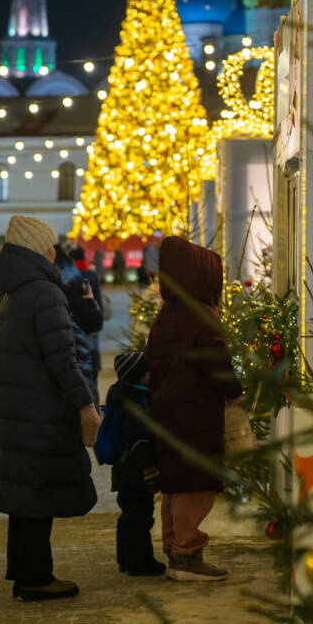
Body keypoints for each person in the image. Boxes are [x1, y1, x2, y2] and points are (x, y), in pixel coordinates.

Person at [0, 215, 98, 603]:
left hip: (17, 407)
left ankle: (23, 570)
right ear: (42, 251)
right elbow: (63, 359)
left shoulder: (8, 290)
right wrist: (86, 403)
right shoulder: (44, 292)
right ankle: (37, 577)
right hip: (41, 410)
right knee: (38, 492)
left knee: (24, 493)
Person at [146, 236, 242, 581]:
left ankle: (175, 549)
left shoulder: (168, 314)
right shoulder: (202, 317)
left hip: (168, 412)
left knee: (175, 484)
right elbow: (217, 366)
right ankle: (188, 555)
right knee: (195, 486)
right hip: (196, 415)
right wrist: (236, 390)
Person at [105, 351, 165, 576]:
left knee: (128, 518)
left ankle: (126, 560)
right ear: (140, 376)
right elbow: (139, 440)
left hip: (123, 471)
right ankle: (141, 563)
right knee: (141, 518)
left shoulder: (122, 397)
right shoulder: (136, 404)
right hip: (135, 471)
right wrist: (148, 469)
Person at [54, 245, 103, 402]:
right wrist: (91, 301)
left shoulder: (46, 292)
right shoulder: (78, 285)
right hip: (82, 357)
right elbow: (95, 322)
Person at [70, 246, 103, 383]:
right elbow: (98, 297)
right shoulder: (91, 274)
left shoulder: (71, 276)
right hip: (92, 314)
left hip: (76, 319)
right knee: (93, 345)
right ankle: (95, 366)